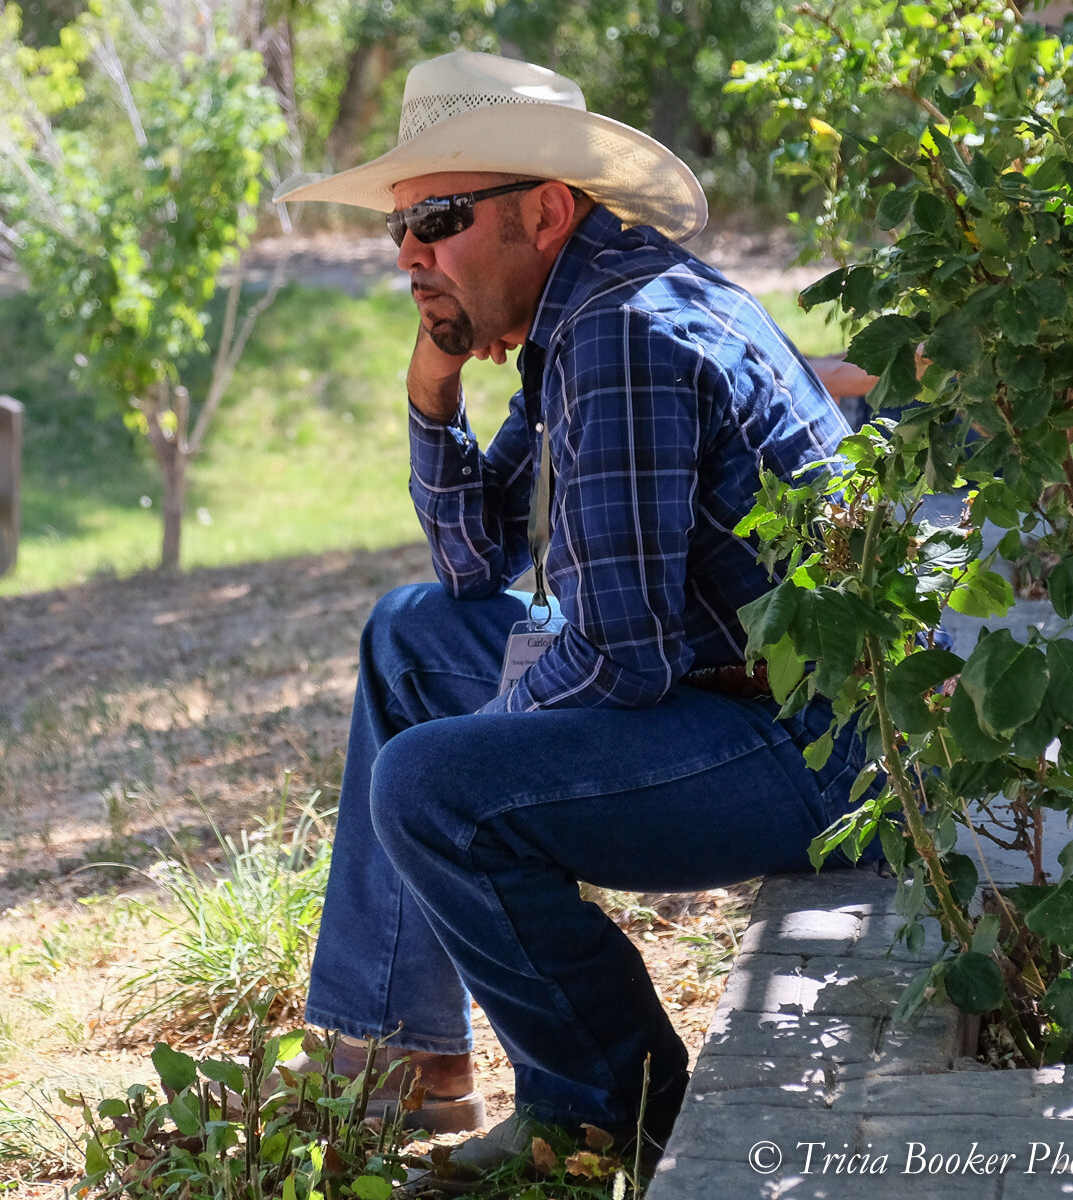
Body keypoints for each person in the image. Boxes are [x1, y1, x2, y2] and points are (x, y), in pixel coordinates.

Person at [272, 51, 866, 1171]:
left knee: (434, 785)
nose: (410, 253)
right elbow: (473, 561)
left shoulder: (622, 335)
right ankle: (399, 1062)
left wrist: (480, 741)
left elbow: (617, 662)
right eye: (399, 230)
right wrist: (431, 389)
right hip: (727, 693)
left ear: (546, 211)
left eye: (439, 218)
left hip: (817, 751)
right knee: (409, 639)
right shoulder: (586, 312)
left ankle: (606, 1109)